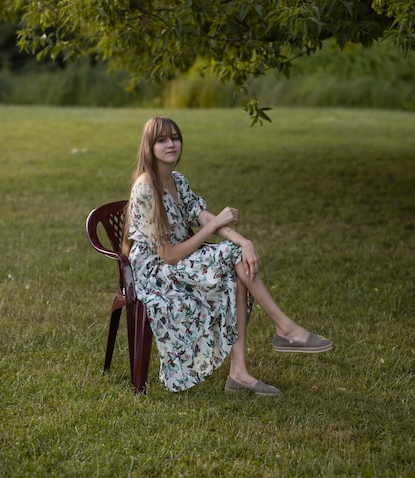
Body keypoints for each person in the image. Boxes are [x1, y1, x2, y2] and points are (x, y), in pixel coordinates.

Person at [123, 117, 332, 396]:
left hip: (182, 258)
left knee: (237, 260)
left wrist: (244, 241)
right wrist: (213, 228)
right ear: (149, 147)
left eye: (175, 137)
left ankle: (241, 371)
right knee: (231, 260)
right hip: (155, 272)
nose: (170, 144)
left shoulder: (176, 180)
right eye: (161, 140)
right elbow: (169, 255)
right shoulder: (146, 189)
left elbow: (202, 214)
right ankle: (283, 331)